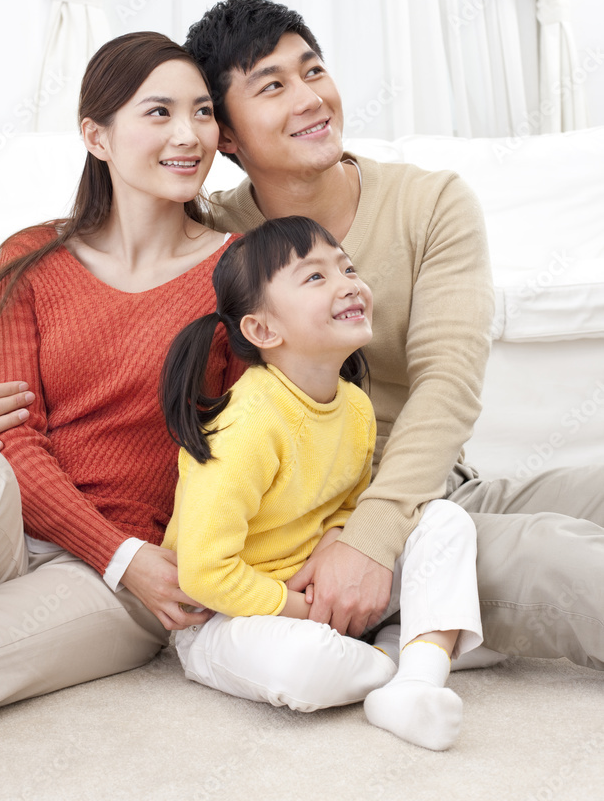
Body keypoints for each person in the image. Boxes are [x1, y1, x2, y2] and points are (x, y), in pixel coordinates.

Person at [0, 0, 604, 669]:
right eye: (272, 85)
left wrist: (368, 537)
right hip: (312, 513)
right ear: (229, 136)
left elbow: (446, 384)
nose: (309, 99)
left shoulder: (428, 202)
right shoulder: (225, 249)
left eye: (314, 71)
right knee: (545, 555)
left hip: (420, 482)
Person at [0, 31, 245, 735]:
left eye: (202, 113)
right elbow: (13, 438)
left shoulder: (239, 274)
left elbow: (256, 435)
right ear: (96, 136)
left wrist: (129, 560)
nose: (189, 134)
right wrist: (118, 552)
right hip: (11, 531)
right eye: (159, 112)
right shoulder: (28, 257)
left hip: (120, 584)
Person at [161, 215, 482, 751]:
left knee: (446, 520)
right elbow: (203, 574)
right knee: (303, 665)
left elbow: (347, 504)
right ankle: (410, 655)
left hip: (329, 593)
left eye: (348, 267)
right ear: (263, 330)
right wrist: (301, 609)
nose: (348, 282)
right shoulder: (248, 425)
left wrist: (336, 543)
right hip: (232, 615)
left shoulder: (354, 407)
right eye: (315, 277)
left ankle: (417, 685)